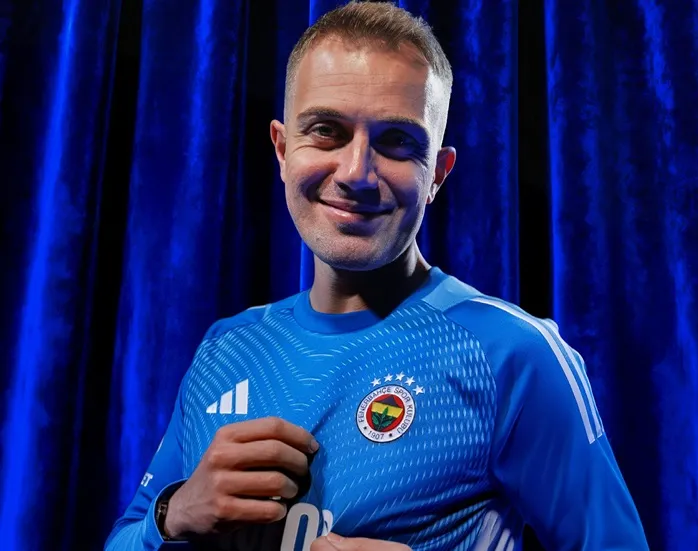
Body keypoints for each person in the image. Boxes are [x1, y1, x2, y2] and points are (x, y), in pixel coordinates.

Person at [104, 2, 649, 550]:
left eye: (397, 141)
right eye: (326, 131)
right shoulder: (226, 348)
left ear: (437, 174)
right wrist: (172, 514)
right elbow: (125, 537)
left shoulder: (512, 355)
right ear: (282, 149)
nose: (356, 173)